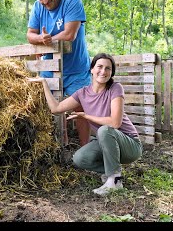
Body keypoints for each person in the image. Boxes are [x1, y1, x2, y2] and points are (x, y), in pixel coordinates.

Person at [28, 52, 143, 196]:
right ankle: (111, 172)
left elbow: (115, 122)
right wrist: (44, 83)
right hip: (107, 142)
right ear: (92, 70)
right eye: (100, 66)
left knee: (104, 130)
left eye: (108, 68)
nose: (103, 71)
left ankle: (114, 180)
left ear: (112, 72)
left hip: (130, 146)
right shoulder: (82, 93)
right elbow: (56, 109)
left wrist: (87, 116)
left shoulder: (115, 88)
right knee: (79, 158)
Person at [26, 0, 91, 146]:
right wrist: (41, 38)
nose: (44, 1)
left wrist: (49, 39)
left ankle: (85, 150)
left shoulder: (72, 2)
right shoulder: (37, 7)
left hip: (76, 67)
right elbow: (30, 35)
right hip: (50, 66)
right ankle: (62, 146)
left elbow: (70, 34)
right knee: (53, 106)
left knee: (81, 107)